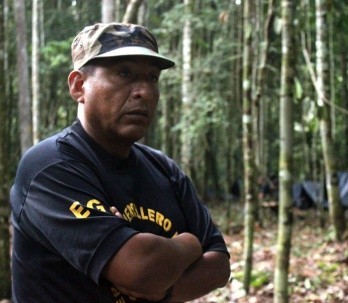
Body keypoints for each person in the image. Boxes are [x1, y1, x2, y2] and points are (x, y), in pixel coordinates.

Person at [9, 22, 230, 303]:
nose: (144, 92)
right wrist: (189, 244)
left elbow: (220, 266)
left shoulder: (164, 170)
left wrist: (161, 287)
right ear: (79, 86)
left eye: (152, 78)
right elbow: (142, 269)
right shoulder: (51, 166)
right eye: (124, 73)